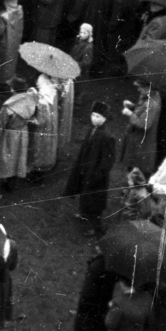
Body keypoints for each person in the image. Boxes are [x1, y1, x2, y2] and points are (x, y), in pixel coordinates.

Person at [63, 100, 118, 236]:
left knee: (94, 203)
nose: (94, 118)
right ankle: (83, 212)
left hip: (95, 176)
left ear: (105, 118)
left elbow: (108, 160)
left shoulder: (107, 136)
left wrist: (97, 175)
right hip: (85, 170)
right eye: (93, 115)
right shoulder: (92, 129)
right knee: (85, 195)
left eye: (98, 116)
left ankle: (96, 228)